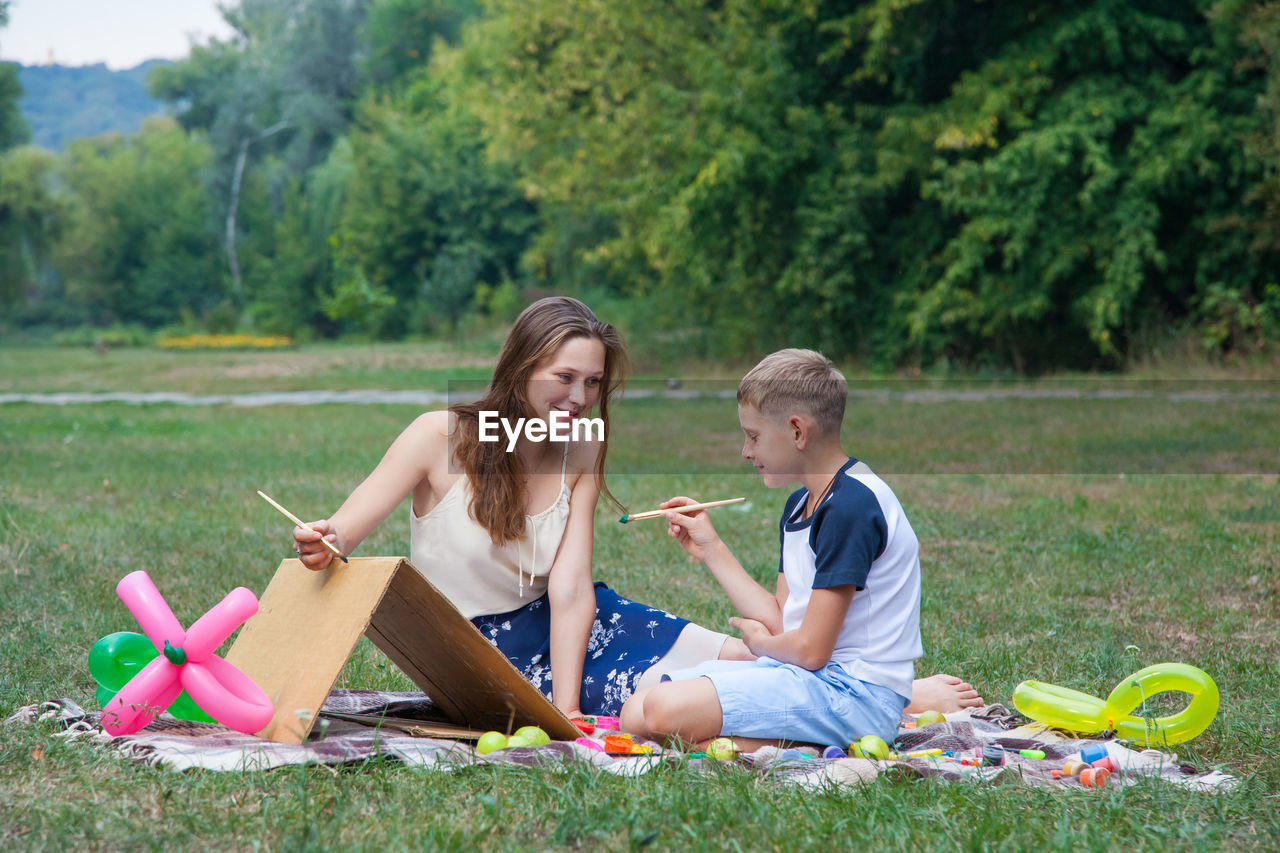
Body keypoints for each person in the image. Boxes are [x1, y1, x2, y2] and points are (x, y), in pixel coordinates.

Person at [293, 297, 747, 718]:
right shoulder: (438, 436)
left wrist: (567, 713)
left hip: (568, 626)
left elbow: (570, 589)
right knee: (688, 694)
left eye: (592, 382)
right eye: (564, 378)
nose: (580, 399)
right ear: (522, 368)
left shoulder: (581, 448)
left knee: (748, 659)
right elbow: (342, 532)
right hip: (480, 657)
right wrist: (322, 541)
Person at [619, 349, 976, 749]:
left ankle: (809, 744)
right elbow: (784, 622)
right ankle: (776, 741)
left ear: (796, 431)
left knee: (664, 710)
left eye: (753, 436)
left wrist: (759, 646)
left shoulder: (851, 507)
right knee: (636, 712)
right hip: (808, 678)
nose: (745, 451)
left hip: (855, 694)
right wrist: (711, 548)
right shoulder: (800, 505)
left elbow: (810, 650)